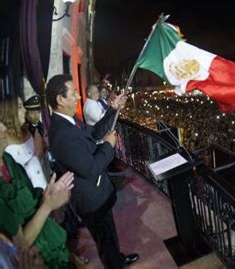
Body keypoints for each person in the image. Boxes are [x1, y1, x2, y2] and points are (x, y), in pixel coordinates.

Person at [46, 74, 139, 268]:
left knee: (109, 236)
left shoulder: (69, 121)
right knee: (105, 238)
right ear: (60, 99)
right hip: (91, 200)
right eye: (73, 93)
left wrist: (113, 110)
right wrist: (108, 146)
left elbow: (95, 132)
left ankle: (117, 259)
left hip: (97, 195)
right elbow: (92, 169)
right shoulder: (62, 134)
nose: (79, 97)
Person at [0, 97, 75, 268]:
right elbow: (20, 243)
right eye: (19, 107)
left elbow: (31, 197)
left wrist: (48, 196)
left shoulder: (9, 160)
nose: (3, 126)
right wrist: (47, 205)